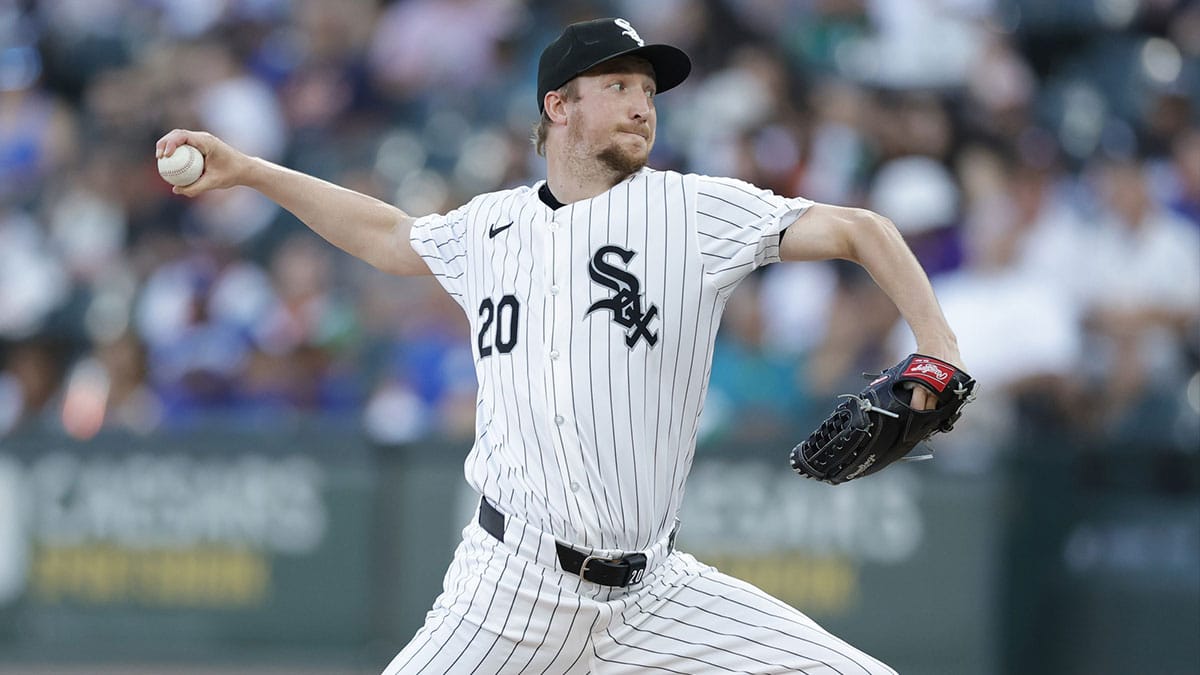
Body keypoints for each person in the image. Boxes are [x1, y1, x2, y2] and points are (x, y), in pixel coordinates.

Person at [157, 17, 962, 675]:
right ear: (558, 107)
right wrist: (251, 171)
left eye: (648, 89)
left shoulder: (693, 211)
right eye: (617, 86)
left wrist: (937, 347)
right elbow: (391, 235)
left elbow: (861, 229)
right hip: (509, 589)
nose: (643, 104)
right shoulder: (489, 225)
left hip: (655, 596)